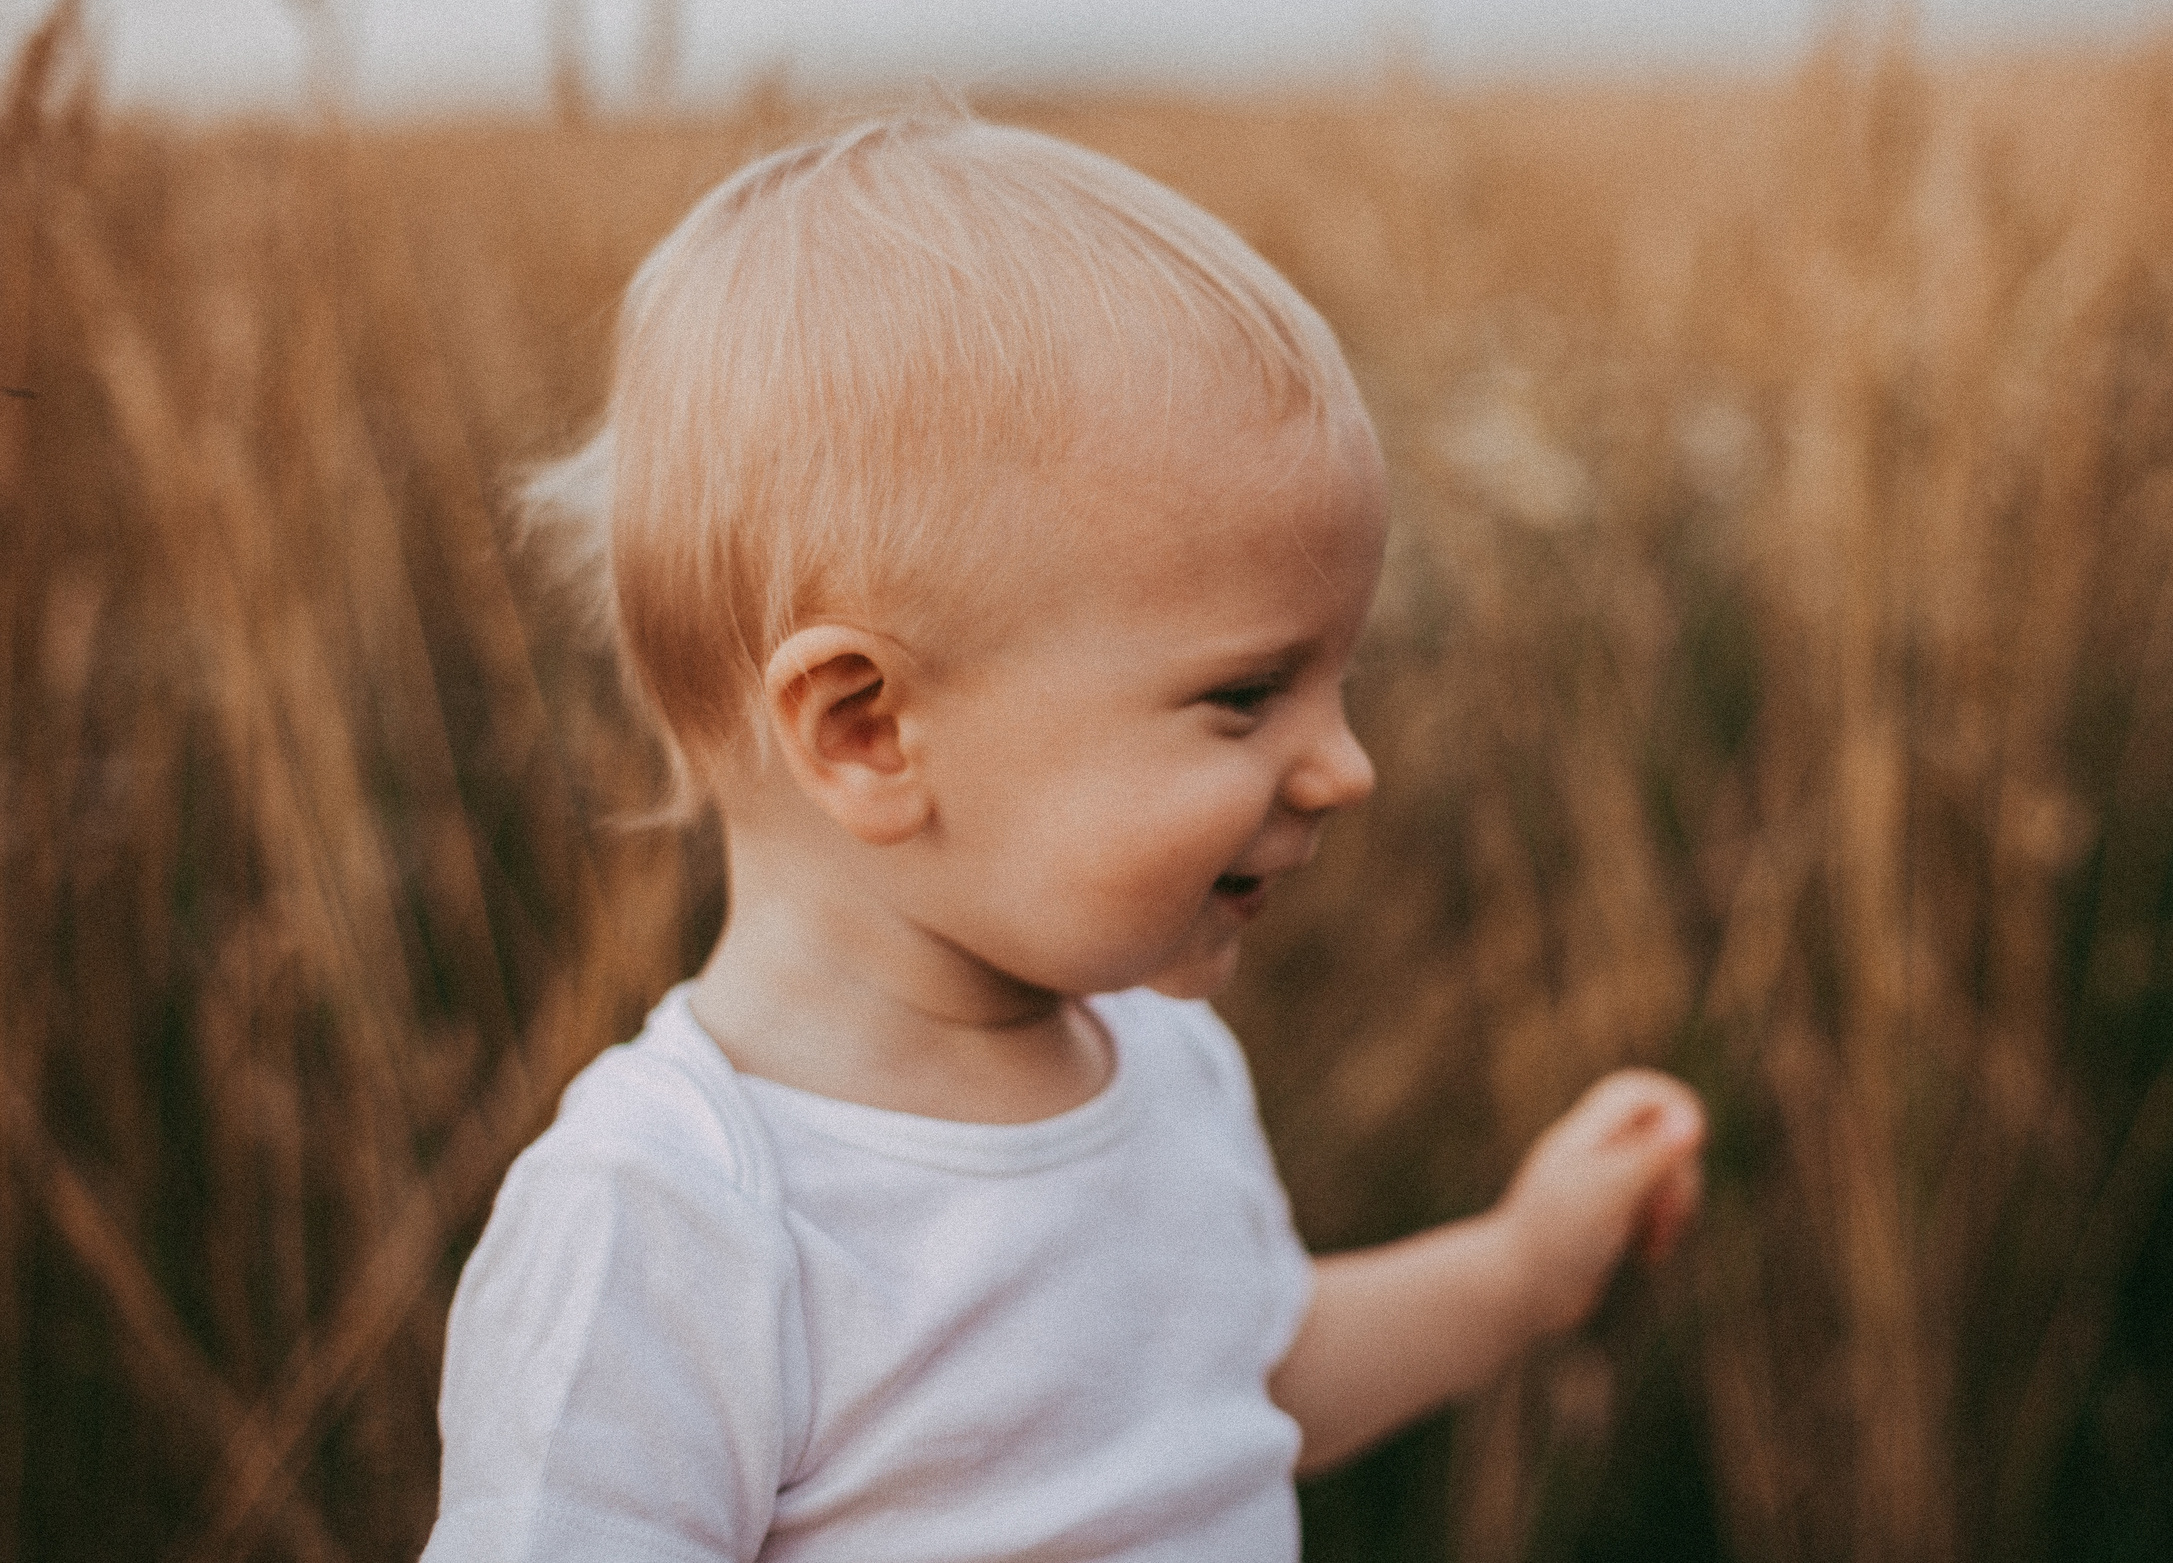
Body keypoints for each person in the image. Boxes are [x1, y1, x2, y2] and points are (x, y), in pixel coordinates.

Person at [424, 112, 1705, 1563]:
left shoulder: (1163, 1064)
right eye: (1247, 696)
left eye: (1337, 683)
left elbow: (1252, 1390)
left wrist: (1522, 1270)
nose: (1345, 767)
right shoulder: (673, 1214)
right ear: (868, 731)